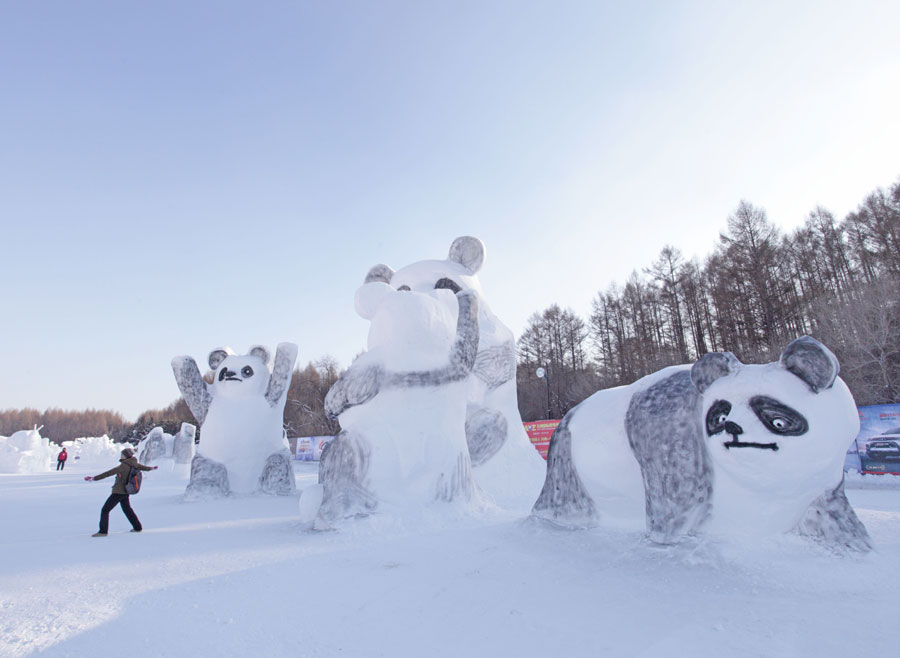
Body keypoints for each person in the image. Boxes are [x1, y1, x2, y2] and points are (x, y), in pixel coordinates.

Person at [84, 447, 157, 537]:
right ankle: (137, 527)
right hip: (126, 491)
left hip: (118, 492)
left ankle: (103, 531)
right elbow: (143, 467)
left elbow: (109, 473)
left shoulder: (124, 466)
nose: (121, 456)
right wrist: (151, 468)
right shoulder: (134, 464)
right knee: (127, 509)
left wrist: (94, 478)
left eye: (122, 455)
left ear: (126, 456)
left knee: (105, 510)